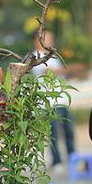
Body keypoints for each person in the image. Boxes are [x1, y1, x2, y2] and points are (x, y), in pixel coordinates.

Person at [32, 31, 75, 172]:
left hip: (62, 100)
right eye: (47, 39)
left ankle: (73, 158)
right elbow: (49, 71)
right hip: (49, 104)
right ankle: (57, 162)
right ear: (38, 41)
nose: (50, 41)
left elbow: (62, 75)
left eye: (51, 38)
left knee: (69, 131)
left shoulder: (54, 57)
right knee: (54, 133)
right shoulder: (35, 57)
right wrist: (68, 69)